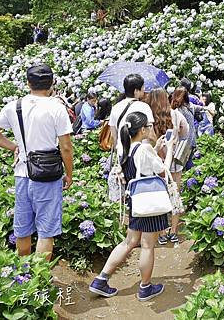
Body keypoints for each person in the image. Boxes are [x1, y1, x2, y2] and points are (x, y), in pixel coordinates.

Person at [0, 64, 74, 261]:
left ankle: (24, 274)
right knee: (46, 230)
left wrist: (15, 147)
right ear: (51, 83)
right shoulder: (56, 108)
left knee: (23, 228)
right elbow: (66, 147)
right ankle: (40, 277)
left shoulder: (14, 106)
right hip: (48, 174)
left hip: (22, 172)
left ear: (27, 83)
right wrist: (70, 173)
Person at [89, 111, 178, 301]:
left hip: (135, 201)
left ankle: (101, 280)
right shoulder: (144, 149)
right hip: (149, 202)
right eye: (148, 126)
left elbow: (139, 167)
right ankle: (145, 287)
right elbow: (163, 170)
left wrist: (155, 147)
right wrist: (168, 148)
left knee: (129, 242)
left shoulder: (126, 147)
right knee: (147, 246)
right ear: (143, 130)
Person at [146, 88, 189, 245]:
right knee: (175, 196)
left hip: (156, 163)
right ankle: (174, 231)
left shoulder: (149, 117)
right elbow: (186, 132)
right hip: (174, 163)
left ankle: (162, 232)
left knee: (159, 195)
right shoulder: (176, 114)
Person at [109, 74, 155, 161]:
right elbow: (151, 136)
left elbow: (114, 136)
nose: (144, 90)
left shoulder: (115, 107)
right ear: (136, 91)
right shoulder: (144, 107)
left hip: (122, 154)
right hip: (141, 155)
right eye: (142, 87)